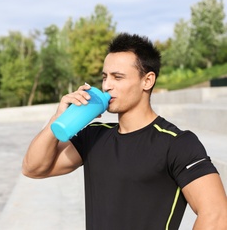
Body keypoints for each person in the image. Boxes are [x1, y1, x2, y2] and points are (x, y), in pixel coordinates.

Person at [22, 33, 227, 229]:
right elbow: (33, 168)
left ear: (147, 80)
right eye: (105, 77)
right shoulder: (94, 136)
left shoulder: (177, 143)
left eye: (117, 77)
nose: (107, 86)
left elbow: (216, 215)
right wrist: (56, 120)